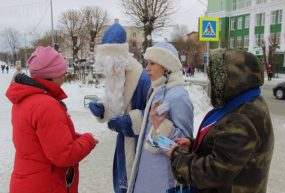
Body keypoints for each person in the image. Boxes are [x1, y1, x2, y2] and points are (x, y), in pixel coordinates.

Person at [167, 49, 274, 193]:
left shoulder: (241, 119)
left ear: (231, 80)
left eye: (215, 79)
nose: (212, 83)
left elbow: (213, 173)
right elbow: (228, 149)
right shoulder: (248, 102)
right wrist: (194, 145)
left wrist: (178, 157)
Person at [5, 46, 97, 193]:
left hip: (27, 181)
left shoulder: (26, 98)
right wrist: (88, 140)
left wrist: (74, 137)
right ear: (52, 75)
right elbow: (64, 155)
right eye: (62, 72)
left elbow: (41, 140)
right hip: (45, 185)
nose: (65, 75)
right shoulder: (46, 106)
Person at [88, 22, 151, 193]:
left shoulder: (143, 79)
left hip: (141, 146)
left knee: (138, 185)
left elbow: (156, 114)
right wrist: (103, 107)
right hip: (124, 142)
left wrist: (132, 121)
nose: (109, 69)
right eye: (106, 64)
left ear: (122, 58)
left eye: (112, 63)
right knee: (123, 183)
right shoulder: (116, 74)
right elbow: (116, 100)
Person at [127, 42, 194, 193]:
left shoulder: (178, 96)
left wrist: (161, 126)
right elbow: (154, 140)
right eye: (147, 63)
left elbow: (184, 147)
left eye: (152, 63)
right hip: (149, 176)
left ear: (166, 66)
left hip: (165, 180)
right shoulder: (158, 91)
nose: (147, 68)